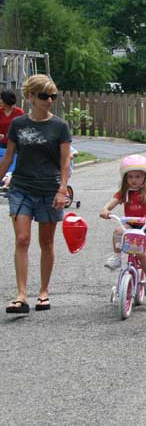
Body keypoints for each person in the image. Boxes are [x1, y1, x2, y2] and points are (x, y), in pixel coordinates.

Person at [1, 75, 71, 314]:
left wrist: (62, 190)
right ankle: (21, 294)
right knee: (22, 239)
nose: (49, 100)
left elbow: (64, 162)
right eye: (44, 96)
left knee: (47, 242)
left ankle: (43, 291)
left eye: (53, 96)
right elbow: (9, 157)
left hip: (50, 190)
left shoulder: (60, 126)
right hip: (21, 188)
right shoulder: (18, 124)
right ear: (31, 96)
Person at [100, 155, 146, 296]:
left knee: (141, 253)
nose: (133, 180)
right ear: (125, 178)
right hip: (130, 226)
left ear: (145, 176)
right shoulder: (124, 191)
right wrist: (106, 210)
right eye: (130, 177)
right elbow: (112, 202)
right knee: (118, 230)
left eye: (137, 176)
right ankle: (117, 257)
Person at [0, 90, 25, 174]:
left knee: (13, 164)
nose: (0, 101)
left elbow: (23, 129)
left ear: (5, 100)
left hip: (15, 144)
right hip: (1, 143)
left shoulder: (19, 112)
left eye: (1, 99)